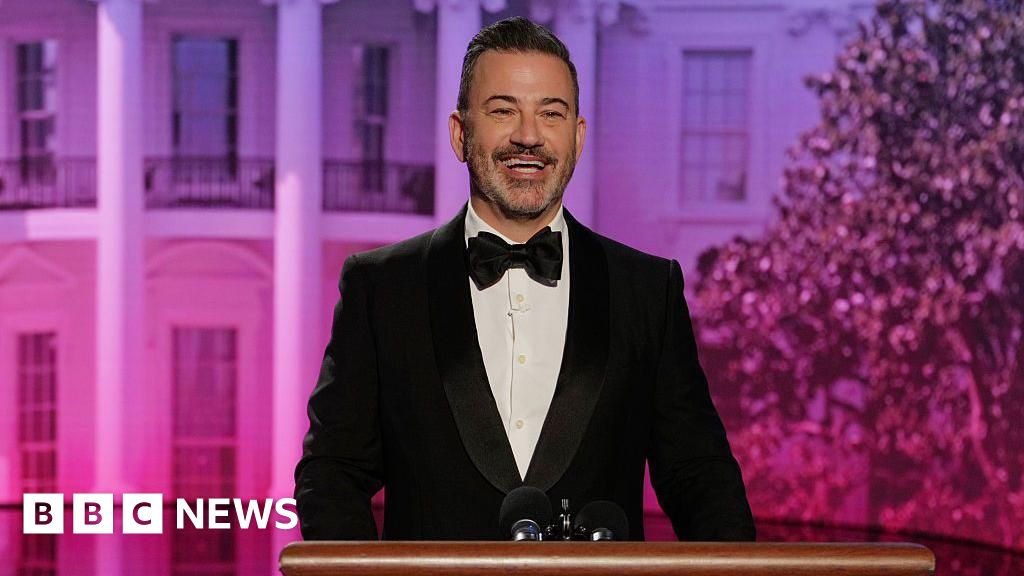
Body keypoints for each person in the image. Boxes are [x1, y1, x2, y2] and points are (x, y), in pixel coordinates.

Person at [294, 16, 755, 541]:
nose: (529, 136)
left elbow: (699, 477)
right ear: (460, 134)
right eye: (503, 110)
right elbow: (332, 473)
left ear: (577, 137)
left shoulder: (648, 290)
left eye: (551, 113)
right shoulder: (380, 288)